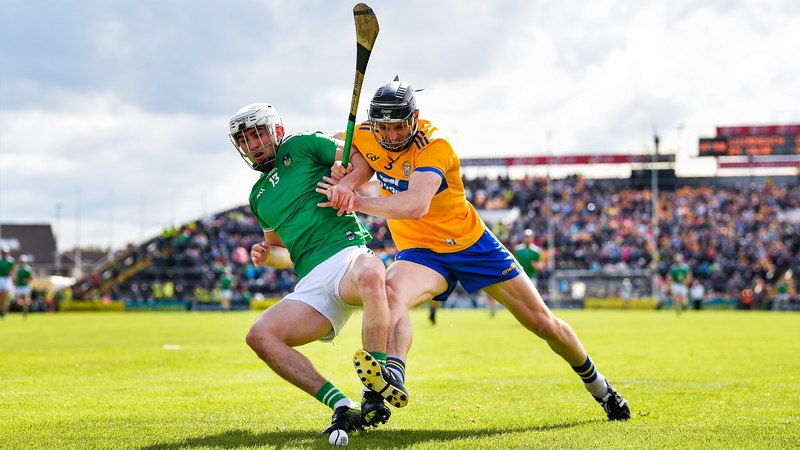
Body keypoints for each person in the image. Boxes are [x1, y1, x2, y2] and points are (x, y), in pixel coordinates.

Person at [318, 77, 630, 421]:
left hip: (470, 244)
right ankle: (393, 373)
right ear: (372, 123)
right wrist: (344, 177)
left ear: (415, 116)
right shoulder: (365, 134)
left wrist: (356, 199)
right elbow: (349, 150)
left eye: (400, 126)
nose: (392, 136)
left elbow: (416, 205)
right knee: (391, 294)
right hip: (420, 251)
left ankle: (601, 388)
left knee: (544, 324)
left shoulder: (434, 144)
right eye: (384, 128)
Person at [228, 103, 406, 437]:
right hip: (310, 282)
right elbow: (284, 252)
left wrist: (347, 180)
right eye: (245, 139)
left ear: (275, 131)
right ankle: (342, 405)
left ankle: (374, 390)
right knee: (259, 336)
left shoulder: (301, 144)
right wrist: (267, 255)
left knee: (372, 272)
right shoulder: (258, 197)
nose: (253, 144)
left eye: (257, 134)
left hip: (347, 254)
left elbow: (361, 156)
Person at [0, 246, 16, 320]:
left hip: (6, 279)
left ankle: (4, 313)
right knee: (1, 298)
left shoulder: (11, 261)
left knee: (5, 297)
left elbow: (14, 270)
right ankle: (1, 310)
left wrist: (13, 276)